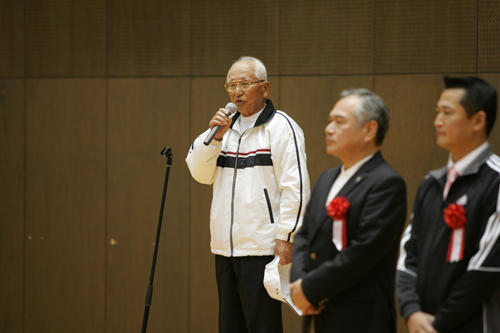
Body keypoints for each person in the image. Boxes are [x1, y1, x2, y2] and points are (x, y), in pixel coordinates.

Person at [185, 56, 310, 333]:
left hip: (262, 249)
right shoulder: (223, 129)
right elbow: (199, 172)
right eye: (231, 85)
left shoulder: (281, 127)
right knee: (230, 326)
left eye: (244, 83)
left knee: (262, 326)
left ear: (264, 88)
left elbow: (296, 186)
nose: (236, 91)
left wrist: (286, 237)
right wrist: (215, 138)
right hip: (224, 250)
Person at [290, 88, 407, 332]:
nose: (328, 128)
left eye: (339, 122)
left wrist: (310, 290)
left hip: (360, 317)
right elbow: (304, 235)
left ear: (369, 130)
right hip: (317, 310)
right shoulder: (327, 177)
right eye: (330, 120)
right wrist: (299, 283)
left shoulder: (386, 183)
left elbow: (362, 253)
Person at [396, 76, 500, 333]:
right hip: (422, 323)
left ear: (478, 120)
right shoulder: (431, 183)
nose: (437, 121)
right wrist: (412, 313)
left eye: (447, 112)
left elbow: (484, 270)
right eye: (437, 112)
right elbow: (409, 255)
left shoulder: (495, 181)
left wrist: (437, 325)